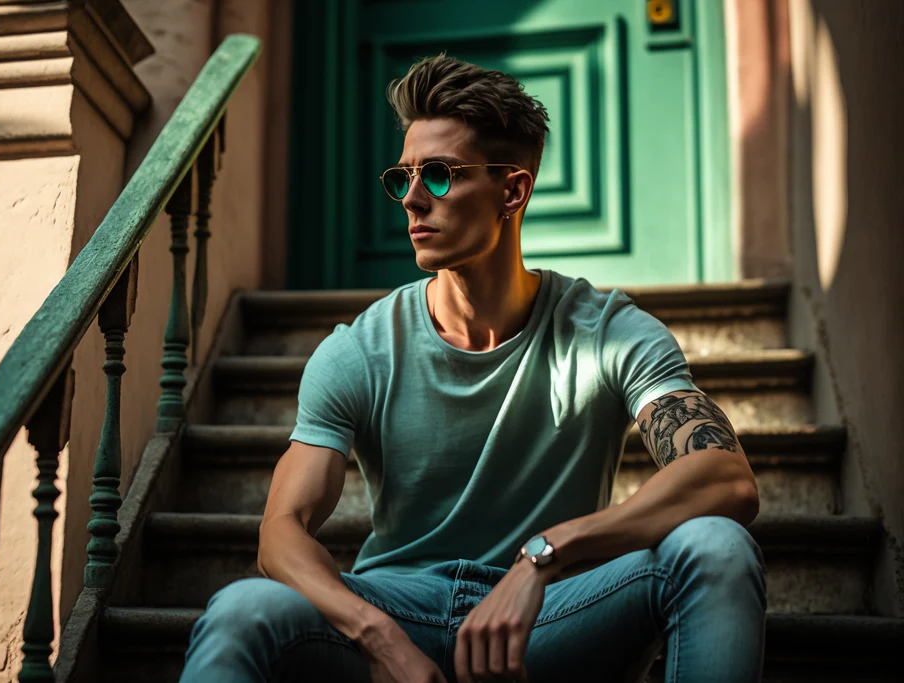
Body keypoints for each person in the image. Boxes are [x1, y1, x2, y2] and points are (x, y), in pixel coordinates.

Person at [179, 54, 765, 683]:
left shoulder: (606, 332)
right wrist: (376, 635)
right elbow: (280, 534)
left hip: (552, 613)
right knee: (242, 608)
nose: (410, 199)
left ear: (511, 191)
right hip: (398, 610)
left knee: (717, 546)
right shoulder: (359, 351)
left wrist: (545, 554)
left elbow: (724, 479)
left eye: (437, 176)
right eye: (402, 177)